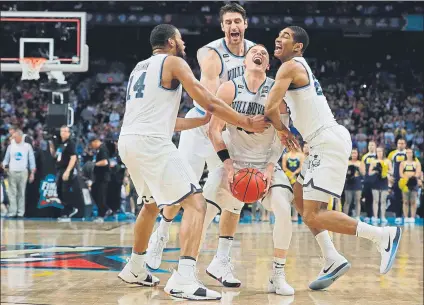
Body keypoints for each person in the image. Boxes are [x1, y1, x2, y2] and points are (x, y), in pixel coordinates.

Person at [117, 24, 267, 301]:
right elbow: (207, 100)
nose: (183, 42)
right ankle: (184, 279)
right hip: (152, 143)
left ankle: (135, 268)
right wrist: (245, 121)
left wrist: (199, 121)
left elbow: (167, 120)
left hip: (128, 140)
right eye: (181, 38)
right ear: (172, 41)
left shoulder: (139, 67)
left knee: (150, 206)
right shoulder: (174, 62)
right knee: (196, 204)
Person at [265, 26, 402, 279]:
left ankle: (383, 236)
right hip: (321, 142)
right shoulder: (294, 68)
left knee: (313, 213)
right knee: (299, 197)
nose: (278, 38)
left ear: (298, 47)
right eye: (279, 34)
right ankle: (331, 258)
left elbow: (269, 108)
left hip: (326, 141)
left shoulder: (290, 66)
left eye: (286, 36)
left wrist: (283, 132)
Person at [146, 2, 256, 269]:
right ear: (222, 27)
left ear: (245, 24)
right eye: (228, 22)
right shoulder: (210, 53)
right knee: (182, 188)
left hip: (229, 129)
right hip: (202, 125)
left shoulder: (255, 52)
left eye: (237, 22)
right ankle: (161, 232)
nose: (233, 26)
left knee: (235, 192)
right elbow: (211, 100)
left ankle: (222, 258)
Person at [198, 44, 295, 295]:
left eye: (264, 53)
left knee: (284, 210)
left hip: (265, 163)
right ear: (244, 62)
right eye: (255, 52)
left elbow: (281, 138)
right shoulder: (229, 88)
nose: (259, 53)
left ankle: (277, 274)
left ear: (268, 64)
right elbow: (213, 130)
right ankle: (188, 268)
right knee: (204, 207)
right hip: (235, 161)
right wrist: (228, 165)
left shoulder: (276, 91)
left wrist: (271, 168)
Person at [1, 129, 35, 218]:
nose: (14, 138)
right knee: (12, 193)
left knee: (21, 193)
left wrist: (32, 173)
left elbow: (32, 160)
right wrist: (4, 165)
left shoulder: (27, 146)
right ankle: (12, 212)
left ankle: (20, 212)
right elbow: (6, 159)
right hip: (12, 171)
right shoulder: (10, 146)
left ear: (20, 136)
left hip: (23, 172)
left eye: (15, 137)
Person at [55, 126, 79, 222]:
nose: (63, 133)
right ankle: (70, 208)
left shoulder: (70, 143)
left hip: (66, 169)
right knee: (59, 191)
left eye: (65, 131)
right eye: (62, 131)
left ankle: (66, 214)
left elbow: (73, 158)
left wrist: (68, 171)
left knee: (65, 191)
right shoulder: (61, 143)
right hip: (60, 169)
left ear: (69, 133)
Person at [89, 138, 112, 223]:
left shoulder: (103, 149)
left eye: (92, 144)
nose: (92, 146)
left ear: (96, 141)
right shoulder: (99, 150)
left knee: (100, 196)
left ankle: (101, 216)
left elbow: (105, 162)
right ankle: (106, 209)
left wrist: (94, 164)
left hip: (103, 177)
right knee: (94, 192)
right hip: (98, 178)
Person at [369, 147, 392, 224]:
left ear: (383, 152)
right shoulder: (373, 161)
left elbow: (391, 171)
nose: (379, 153)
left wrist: (385, 171)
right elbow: (369, 173)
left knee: (383, 200)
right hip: (375, 181)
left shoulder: (387, 161)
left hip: (384, 181)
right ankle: (375, 217)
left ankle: (383, 216)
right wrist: (376, 170)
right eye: (378, 151)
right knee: (375, 200)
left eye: (380, 151)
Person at [387, 138, 408, 223]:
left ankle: (407, 216)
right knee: (397, 198)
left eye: (402, 143)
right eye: (399, 143)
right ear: (397, 144)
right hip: (396, 179)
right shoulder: (392, 154)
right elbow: (386, 166)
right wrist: (389, 176)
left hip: (406, 180)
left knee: (407, 199)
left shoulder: (409, 153)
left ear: (405, 144)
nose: (401, 145)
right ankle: (398, 216)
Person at [399, 148, 422, 223]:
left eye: (410, 153)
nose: (409, 154)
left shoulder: (416, 163)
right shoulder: (403, 163)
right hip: (405, 183)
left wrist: (412, 177)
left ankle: (412, 217)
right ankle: (405, 217)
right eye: (407, 153)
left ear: (413, 153)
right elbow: (401, 173)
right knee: (405, 201)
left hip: (413, 182)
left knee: (413, 201)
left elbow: (418, 173)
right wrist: (406, 178)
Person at [282, 147, 304, 221]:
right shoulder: (286, 155)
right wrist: (290, 174)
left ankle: (296, 215)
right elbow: (284, 167)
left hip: (297, 178)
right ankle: (287, 215)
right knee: (288, 197)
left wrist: (294, 173)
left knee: (297, 197)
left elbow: (301, 167)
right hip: (288, 178)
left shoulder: (300, 155)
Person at [360, 141, 377, 222]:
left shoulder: (378, 156)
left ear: (375, 146)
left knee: (376, 198)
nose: (371, 146)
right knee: (368, 198)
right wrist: (365, 177)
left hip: (377, 180)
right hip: (367, 180)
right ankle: (369, 215)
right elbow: (362, 168)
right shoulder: (365, 156)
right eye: (370, 145)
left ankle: (376, 215)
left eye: (373, 145)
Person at [344, 148, 363, 219]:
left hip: (357, 183)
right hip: (348, 183)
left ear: (357, 154)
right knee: (347, 201)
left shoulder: (360, 163)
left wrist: (358, 170)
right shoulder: (347, 162)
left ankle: (357, 216)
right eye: (352, 153)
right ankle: (345, 217)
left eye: (355, 153)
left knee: (357, 200)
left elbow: (363, 173)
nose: (354, 154)